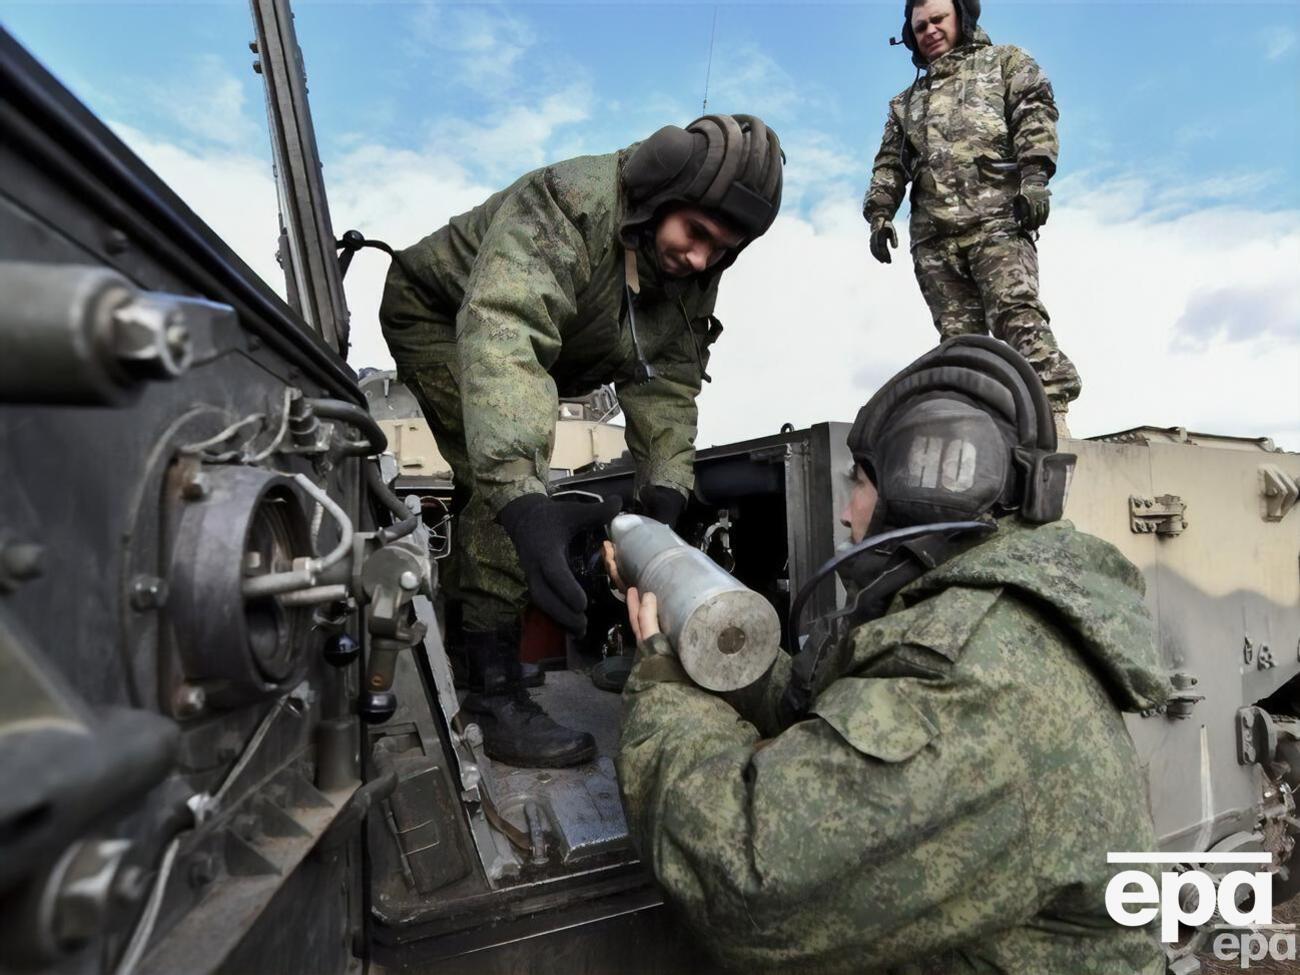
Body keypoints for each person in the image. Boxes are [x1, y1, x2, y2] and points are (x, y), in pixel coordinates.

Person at [612, 336, 1170, 972]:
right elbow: (844, 718)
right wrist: (724, 649)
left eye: (860, 486)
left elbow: (745, 884)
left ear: (921, 488)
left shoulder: (971, 679)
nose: (849, 517)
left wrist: (664, 688)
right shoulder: (989, 617)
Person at [378, 114, 784, 768]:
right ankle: (490, 689)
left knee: (518, 475)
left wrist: (665, 493)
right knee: (502, 489)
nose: (703, 259)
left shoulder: (690, 273)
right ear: (658, 200)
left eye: (724, 250)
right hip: (444, 319)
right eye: (697, 234)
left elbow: (669, 381)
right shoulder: (571, 203)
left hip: (551, 348)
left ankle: (478, 639)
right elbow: (506, 329)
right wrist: (523, 501)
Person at [864, 0, 1082, 421]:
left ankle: (1054, 419)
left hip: (996, 223)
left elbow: (1034, 113)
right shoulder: (905, 103)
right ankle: (980, 427)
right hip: (934, 239)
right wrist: (879, 214)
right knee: (960, 347)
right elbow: (891, 163)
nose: (930, 31)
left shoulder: (1004, 63)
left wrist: (1035, 177)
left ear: (961, 19)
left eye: (938, 20)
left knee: (1018, 318)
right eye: (921, 25)